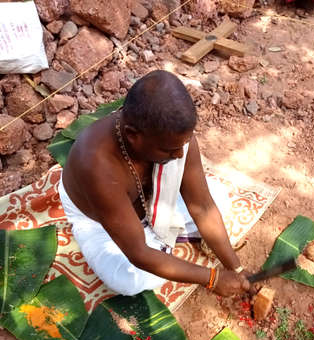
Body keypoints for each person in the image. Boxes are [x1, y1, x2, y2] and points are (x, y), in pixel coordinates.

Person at [60, 70, 250, 298]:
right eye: (169, 150)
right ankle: (163, 243)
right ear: (132, 135)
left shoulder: (174, 136)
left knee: (219, 197)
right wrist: (212, 278)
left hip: (149, 203)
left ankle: (162, 242)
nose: (180, 154)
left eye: (183, 144)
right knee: (130, 279)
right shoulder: (96, 164)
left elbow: (202, 205)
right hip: (100, 224)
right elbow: (137, 252)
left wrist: (236, 269)